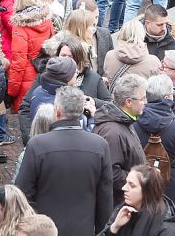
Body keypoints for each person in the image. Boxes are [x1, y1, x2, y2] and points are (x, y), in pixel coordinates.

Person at [16, 86, 113, 236]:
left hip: (43, 230)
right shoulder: (100, 145)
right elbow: (105, 198)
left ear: (57, 110)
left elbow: (22, 194)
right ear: (81, 111)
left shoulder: (37, 145)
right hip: (83, 229)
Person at [93, 74, 147, 204]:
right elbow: (112, 173)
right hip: (120, 203)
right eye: (142, 99)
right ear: (128, 102)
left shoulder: (125, 121)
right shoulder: (113, 132)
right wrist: (141, 181)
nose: (145, 102)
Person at [7, 0, 54, 111]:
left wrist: (11, 91)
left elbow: (18, 62)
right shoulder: (47, 19)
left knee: (27, 116)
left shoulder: (20, 26)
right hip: (46, 72)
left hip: (27, 79)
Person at [99, 165, 175, 236]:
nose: (124, 188)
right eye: (126, 182)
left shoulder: (167, 228)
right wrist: (114, 228)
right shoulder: (123, 211)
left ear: (147, 191)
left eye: (132, 185)